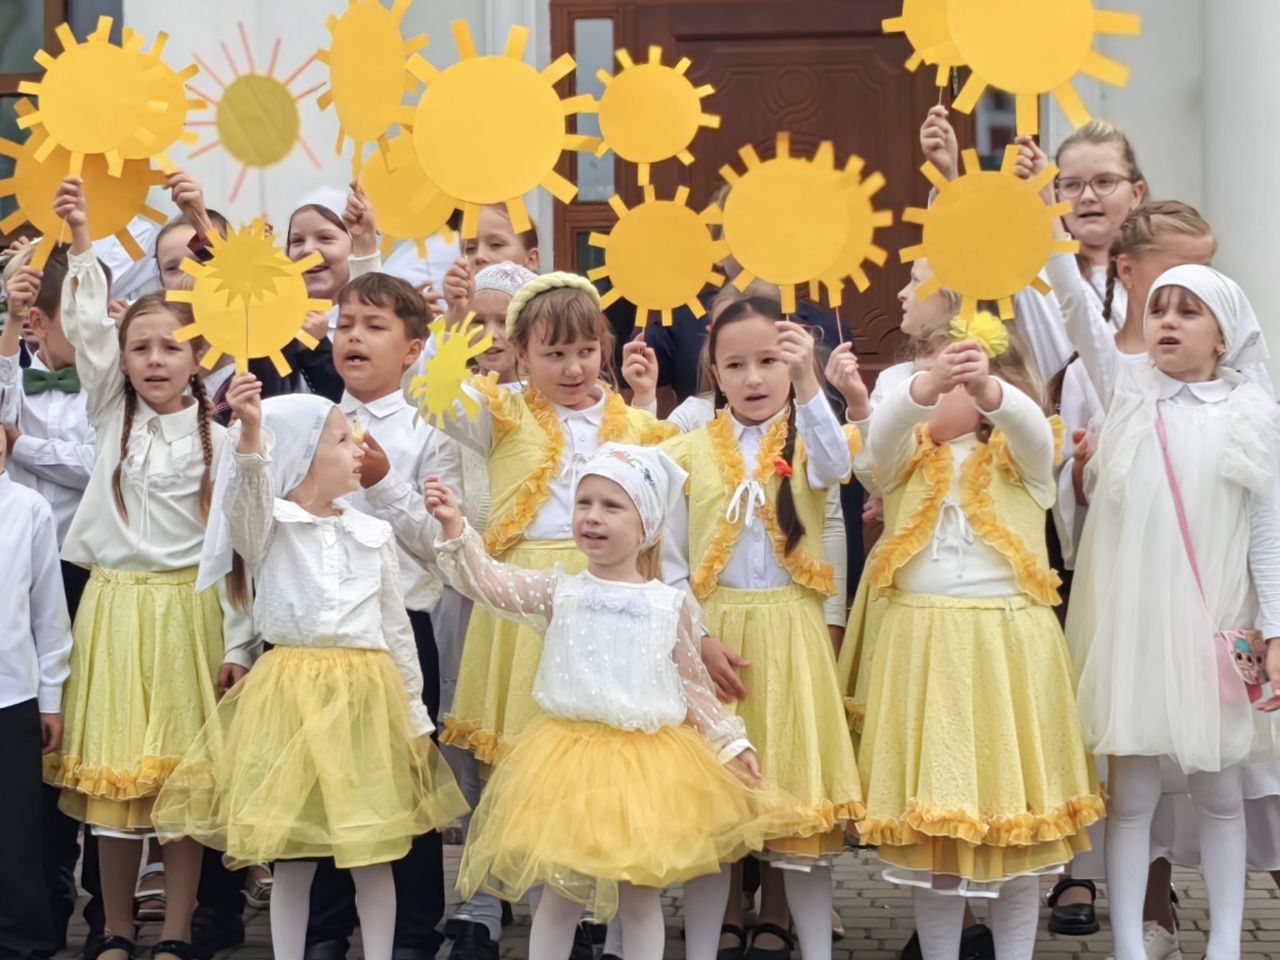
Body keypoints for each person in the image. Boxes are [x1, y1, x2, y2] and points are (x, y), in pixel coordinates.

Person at [427, 444, 809, 960]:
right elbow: (491, 583)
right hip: (566, 764)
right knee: (559, 896)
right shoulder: (558, 593)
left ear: (645, 526)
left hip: (644, 769)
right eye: (584, 503)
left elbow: (693, 687)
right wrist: (456, 529)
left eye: (612, 506)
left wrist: (730, 743)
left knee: (640, 899)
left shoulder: (669, 605)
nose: (593, 516)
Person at [152, 382, 467, 960]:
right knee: (293, 853)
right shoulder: (270, 526)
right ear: (300, 455)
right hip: (292, 698)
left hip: (366, 700)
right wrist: (252, 433)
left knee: (373, 853)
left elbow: (395, 630)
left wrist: (414, 718)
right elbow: (246, 500)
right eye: (342, 439)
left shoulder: (373, 533)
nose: (358, 447)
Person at [41, 177, 255, 960]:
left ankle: (176, 930)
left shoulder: (223, 441)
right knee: (115, 783)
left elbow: (236, 556)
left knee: (180, 786)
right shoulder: (110, 413)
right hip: (115, 612)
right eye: (140, 347)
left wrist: (239, 644)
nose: (154, 360)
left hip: (189, 617)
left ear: (200, 356)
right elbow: (87, 330)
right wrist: (81, 238)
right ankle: (115, 927)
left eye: (171, 346)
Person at [858, 317, 1101, 960]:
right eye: (924, 381)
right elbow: (882, 436)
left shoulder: (1024, 455)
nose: (933, 393)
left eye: (951, 383)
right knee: (938, 830)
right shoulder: (904, 458)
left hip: (1007, 647)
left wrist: (992, 392)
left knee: (1014, 829)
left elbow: (1031, 430)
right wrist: (922, 389)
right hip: (925, 647)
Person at [662, 297, 864, 960]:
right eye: (735, 365)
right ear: (715, 373)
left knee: (800, 817)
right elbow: (671, 562)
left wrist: (811, 384)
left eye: (770, 362)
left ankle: (814, 946)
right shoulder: (685, 451)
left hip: (792, 637)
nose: (753, 378)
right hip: (714, 639)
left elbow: (836, 469)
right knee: (713, 819)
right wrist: (697, 639)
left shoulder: (811, 439)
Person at [0, 422, 73, 960]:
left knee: (15, 832)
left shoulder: (28, 508)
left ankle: (22, 941)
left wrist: (50, 698)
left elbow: (49, 612)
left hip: (12, 693)